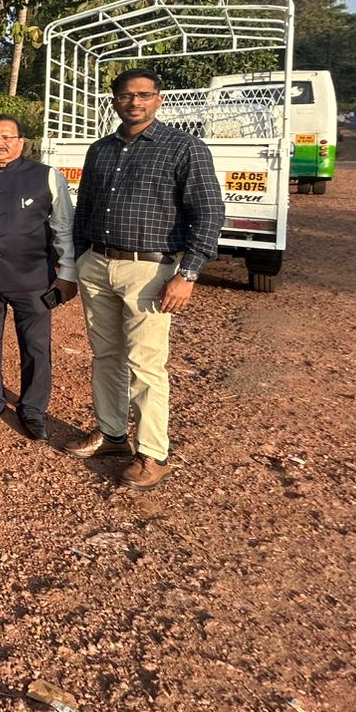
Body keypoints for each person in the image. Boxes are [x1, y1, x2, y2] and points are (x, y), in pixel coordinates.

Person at [66, 69, 223, 489]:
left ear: (158, 99)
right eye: (125, 95)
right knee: (106, 356)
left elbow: (209, 213)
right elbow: (85, 209)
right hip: (99, 266)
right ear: (114, 100)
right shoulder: (100, 150)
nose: (134, 102)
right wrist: (82, 259)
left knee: (145, 365)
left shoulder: (184, 148)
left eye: (143, 95)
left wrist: (187, 273)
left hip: (151, 271)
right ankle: (113, 435)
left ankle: (153, 453)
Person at [0, 115, 77, 441]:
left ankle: (32, 410)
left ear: (22, 141)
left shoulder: (46, 177)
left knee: (36, 346)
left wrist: (67, 273)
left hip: (33, 279)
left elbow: (63, 227)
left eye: (7, 137)